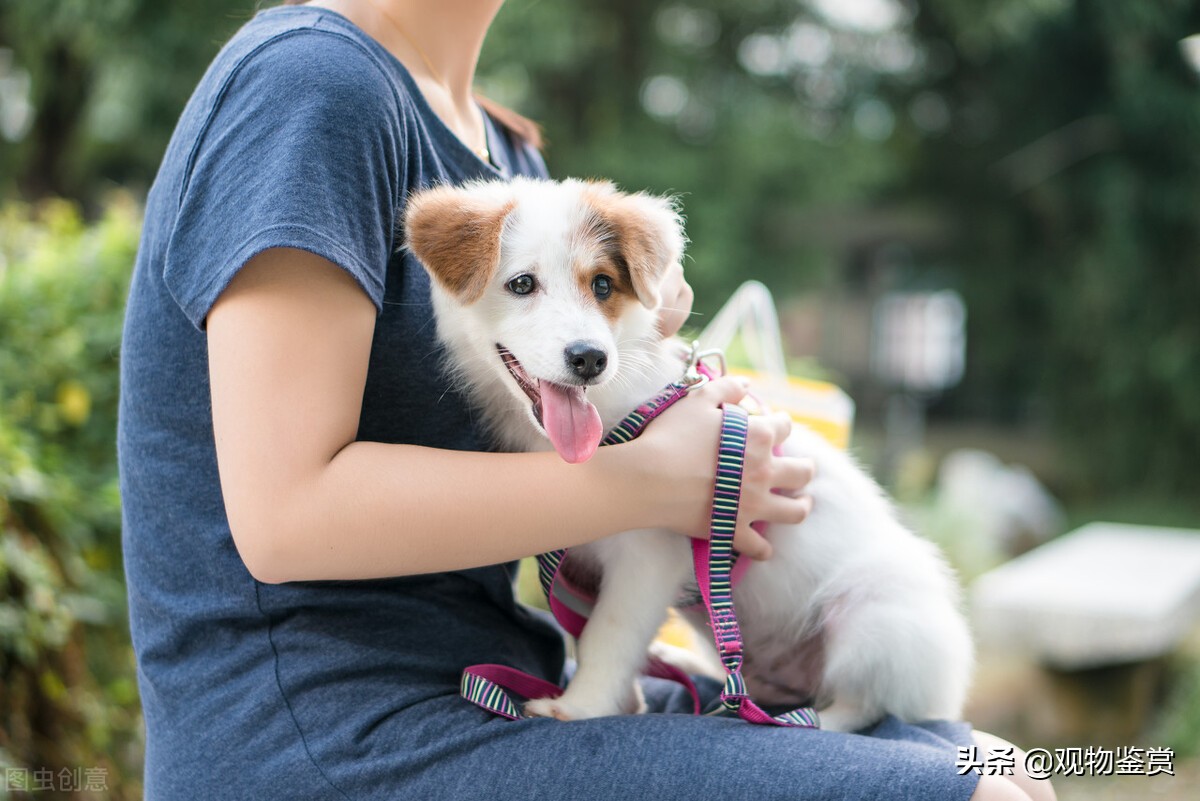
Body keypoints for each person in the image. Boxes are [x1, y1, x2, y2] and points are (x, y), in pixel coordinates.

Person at [117, 1, 1055, 799]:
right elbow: (287, 515)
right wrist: (652, 481)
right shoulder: (313, 86)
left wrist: (688, 437)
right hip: (324, 736)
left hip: (496, 680)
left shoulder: (508, 154)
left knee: (990, 760)